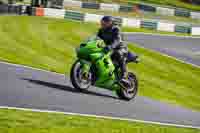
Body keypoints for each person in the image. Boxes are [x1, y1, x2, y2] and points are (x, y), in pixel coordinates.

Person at [97, 16, 128, 82]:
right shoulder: (101, 30)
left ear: (110, 23)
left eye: (105, 22)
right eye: (102, 22)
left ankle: (124, 74)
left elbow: (117, 40)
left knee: (118, 53)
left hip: (120, 48)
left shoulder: (116, 29)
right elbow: (96, 38)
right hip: (108, 48)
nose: (103, 24)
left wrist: (111, 46)